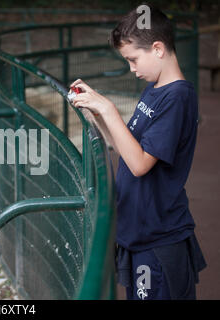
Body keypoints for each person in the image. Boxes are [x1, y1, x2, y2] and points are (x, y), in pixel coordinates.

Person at [70, 5, 206, 300]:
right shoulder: (155, 88)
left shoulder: (178, 96)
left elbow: (140, 163)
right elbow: (127, 144)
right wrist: (97, 112)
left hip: (159, 237)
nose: (132, 68)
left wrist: (108, 108)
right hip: (140, 233)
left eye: (133, 59)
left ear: (157, 48)